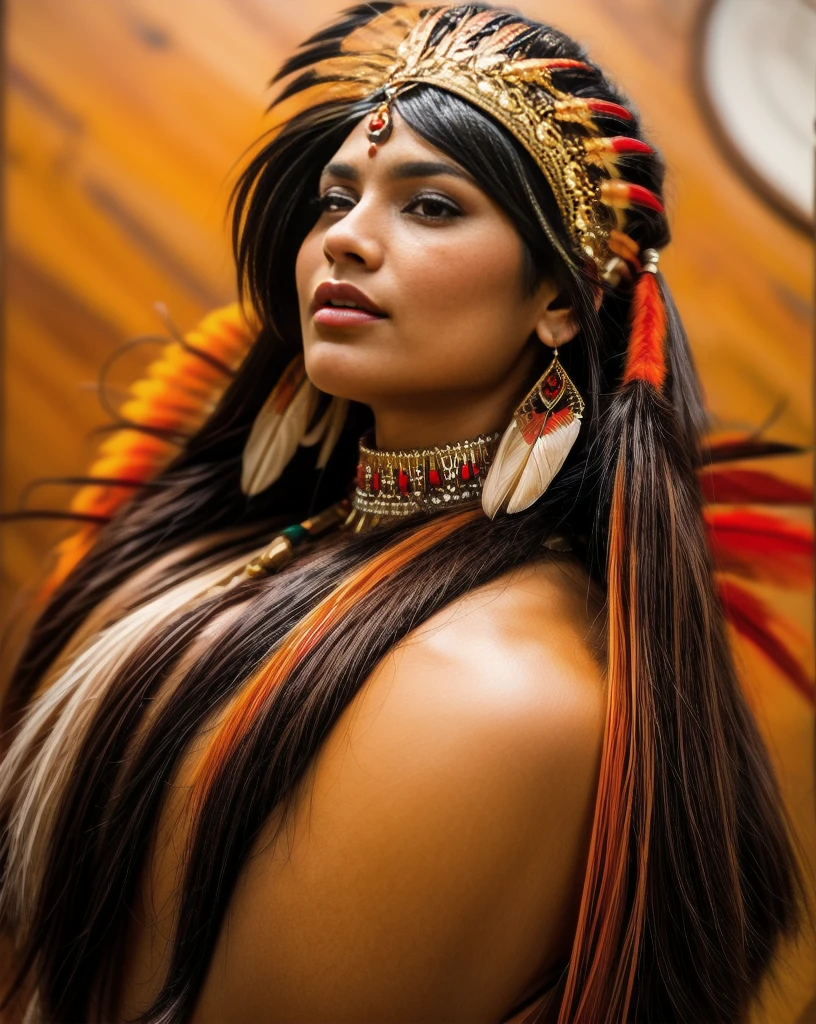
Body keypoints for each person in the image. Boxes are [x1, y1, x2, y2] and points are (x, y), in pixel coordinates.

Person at [0, 4, 809, 1022]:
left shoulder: (491, 697)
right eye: (339, 196)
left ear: (559, 298)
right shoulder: (282, 533)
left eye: (429, 206)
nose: (346, 238)